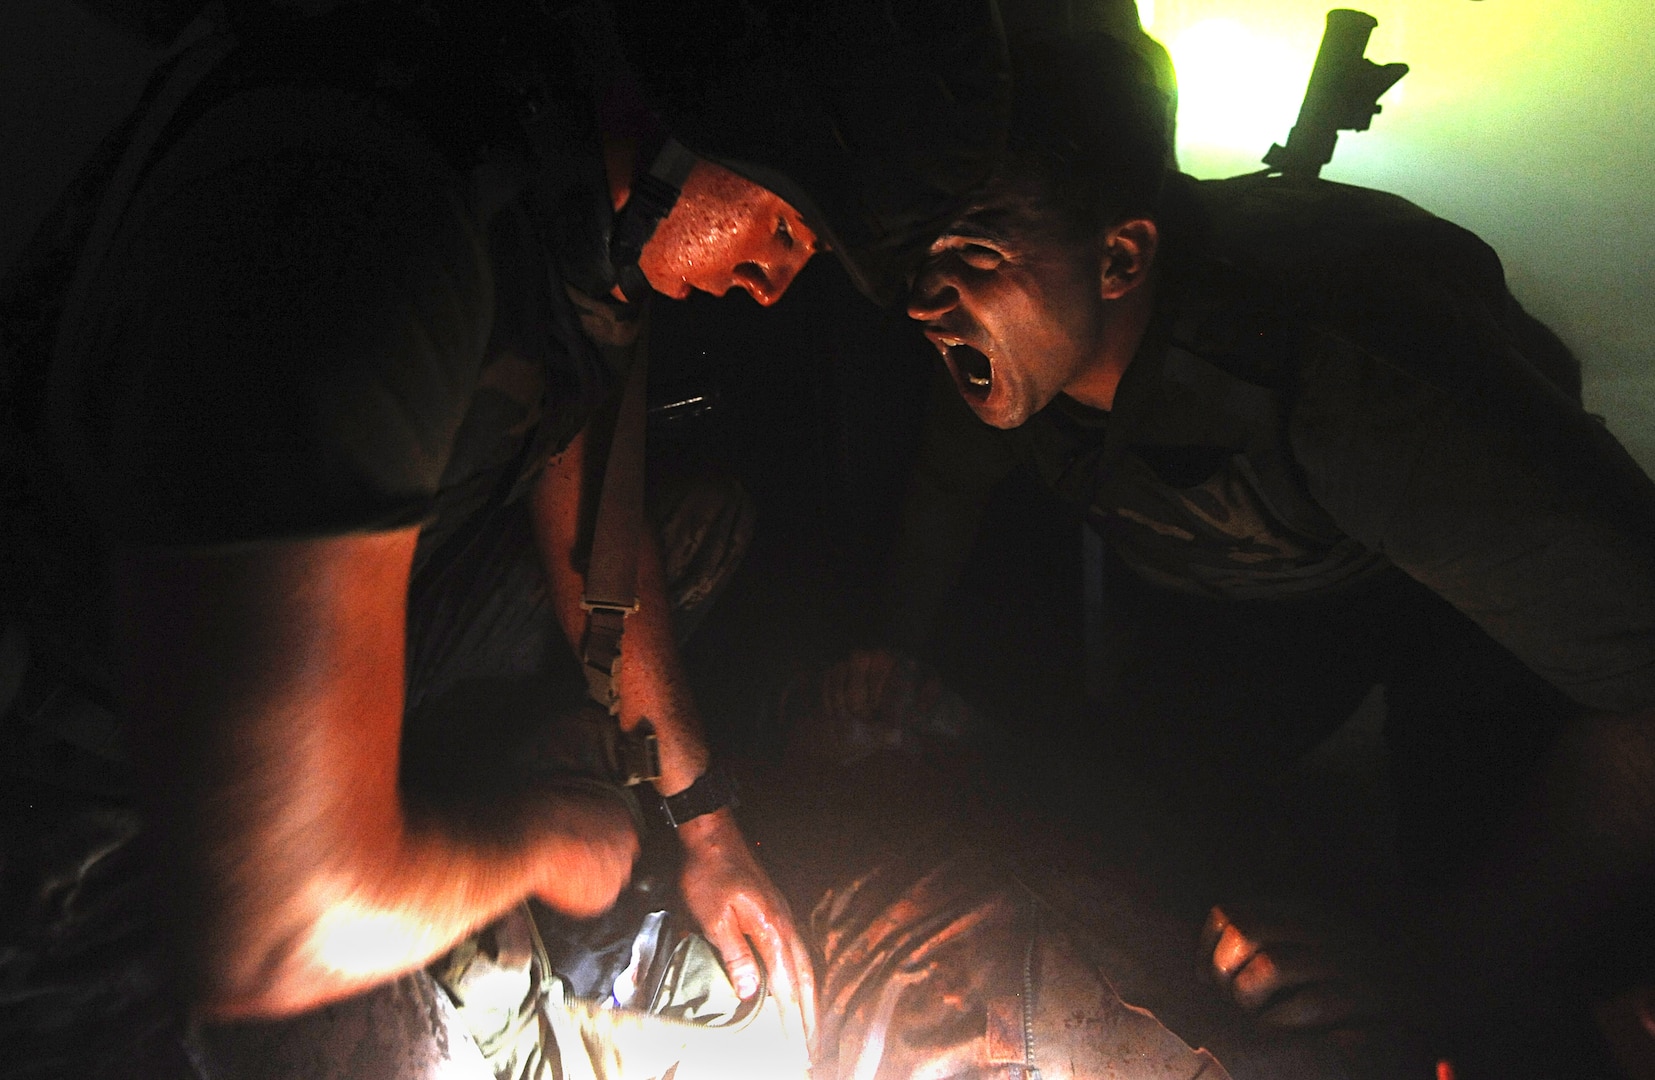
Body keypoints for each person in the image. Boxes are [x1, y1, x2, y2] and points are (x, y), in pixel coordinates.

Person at [0, 0, 1009, 1074]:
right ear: (693, 114)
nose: (770, 279)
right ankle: (423, 873)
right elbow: (278, 928)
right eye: (785, 224)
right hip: (75, 789)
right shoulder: (372, 224)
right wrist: (545, 841)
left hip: (262, 667)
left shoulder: (556, 181)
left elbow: (593, 531)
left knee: (700, 532)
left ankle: (432, 832)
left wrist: (707, 827)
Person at [842, 29, 1655, 1077]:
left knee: (1470, 943)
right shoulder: (1005, 346)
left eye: (970, 257)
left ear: (1121, 257)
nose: (921, 298)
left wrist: (1435, 962)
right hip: (1256, 591)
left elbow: (1644, 689)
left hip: (1447, 600)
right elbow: (946, 485)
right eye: (918, 260)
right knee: (1139, 830)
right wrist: (880, 655)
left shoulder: (1352, 389)